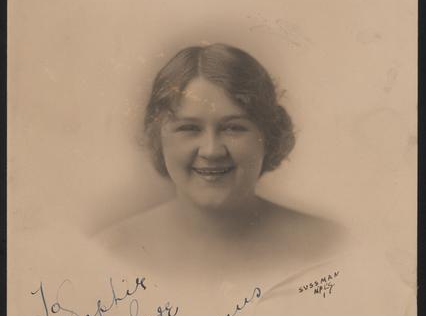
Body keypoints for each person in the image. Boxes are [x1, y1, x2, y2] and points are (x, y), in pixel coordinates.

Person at [97, 43, 344, 283]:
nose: (212, 151)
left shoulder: (328, 246)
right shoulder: (111, 252)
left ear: (268, 137)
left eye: (233, 128)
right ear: (158, 137)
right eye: (189, 128)